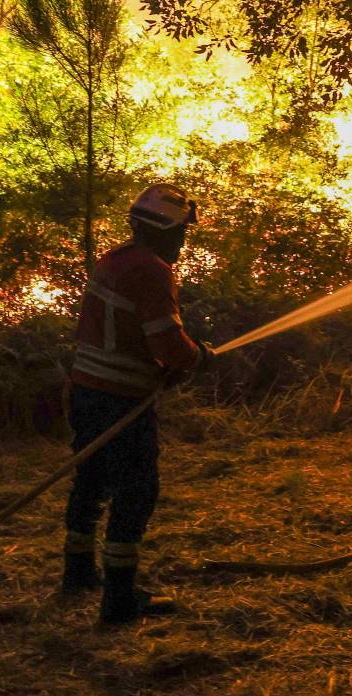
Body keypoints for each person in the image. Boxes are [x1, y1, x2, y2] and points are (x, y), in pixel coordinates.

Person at [62, 183, 213, 624]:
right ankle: (120, 600)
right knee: (136, 491)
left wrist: (164, 364)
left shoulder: (115, 259)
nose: (183, 241)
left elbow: (128, 332)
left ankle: (77, 573)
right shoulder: (152, 270)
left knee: (90, 480)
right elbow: (168, 342)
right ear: (165, 231)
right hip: (119, 399)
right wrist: (198, 358)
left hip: (86, 390)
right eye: (181, 232)